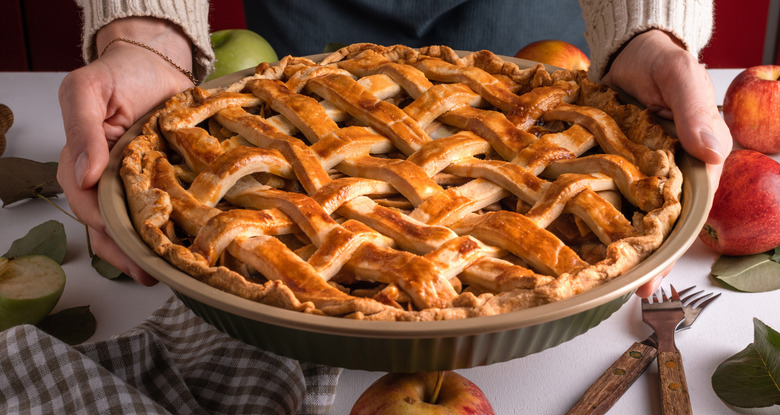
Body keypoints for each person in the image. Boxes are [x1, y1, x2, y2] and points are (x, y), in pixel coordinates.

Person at [57, 0, 732, 297]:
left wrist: (646, 28)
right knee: (286, 180)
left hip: (527, 99)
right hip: (313, 88)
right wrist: (145, 30)